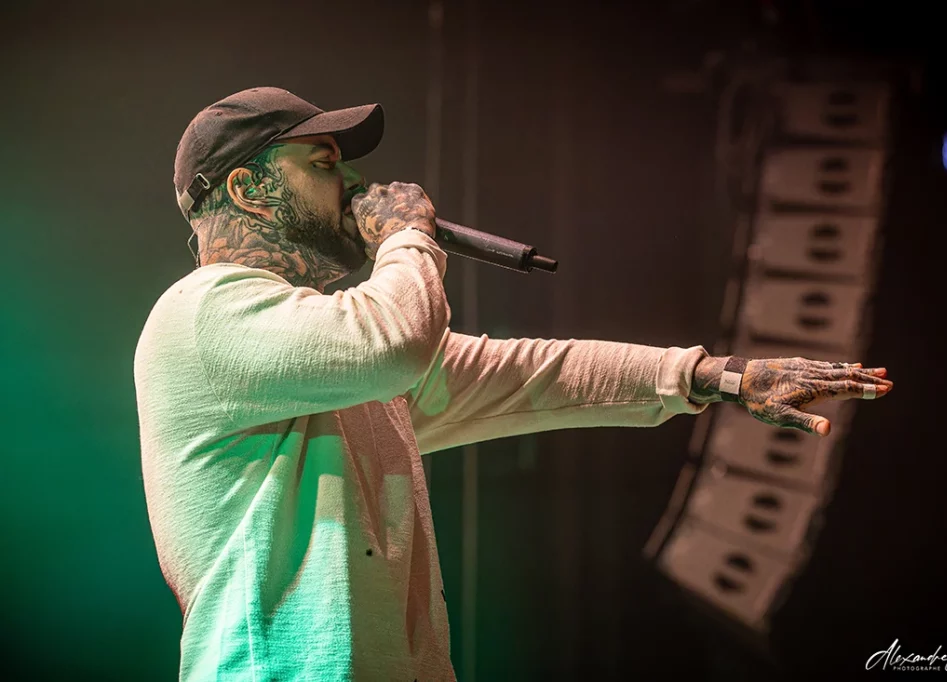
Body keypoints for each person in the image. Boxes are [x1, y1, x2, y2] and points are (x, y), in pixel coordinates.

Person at [134, 86, 893, 681]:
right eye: (325, 162)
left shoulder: (323, 350)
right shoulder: (201, 314)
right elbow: (397, 340)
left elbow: (526, 373)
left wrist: (714, 375)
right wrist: (405, 235)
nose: (356, 181)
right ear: (248, 189)